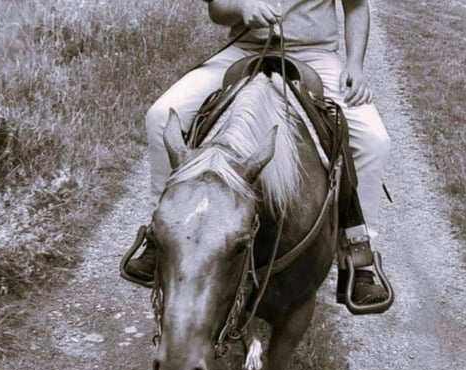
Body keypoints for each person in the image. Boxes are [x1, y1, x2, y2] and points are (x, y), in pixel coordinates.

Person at [126, 0, 390, 304]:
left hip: (315, 55)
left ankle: (357, 255)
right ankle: (159, 236)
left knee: (373, 140)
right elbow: (217, 9)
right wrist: (241, 7)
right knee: (161, 116)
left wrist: (355, 64)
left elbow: (356, 7)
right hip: (245, 50)